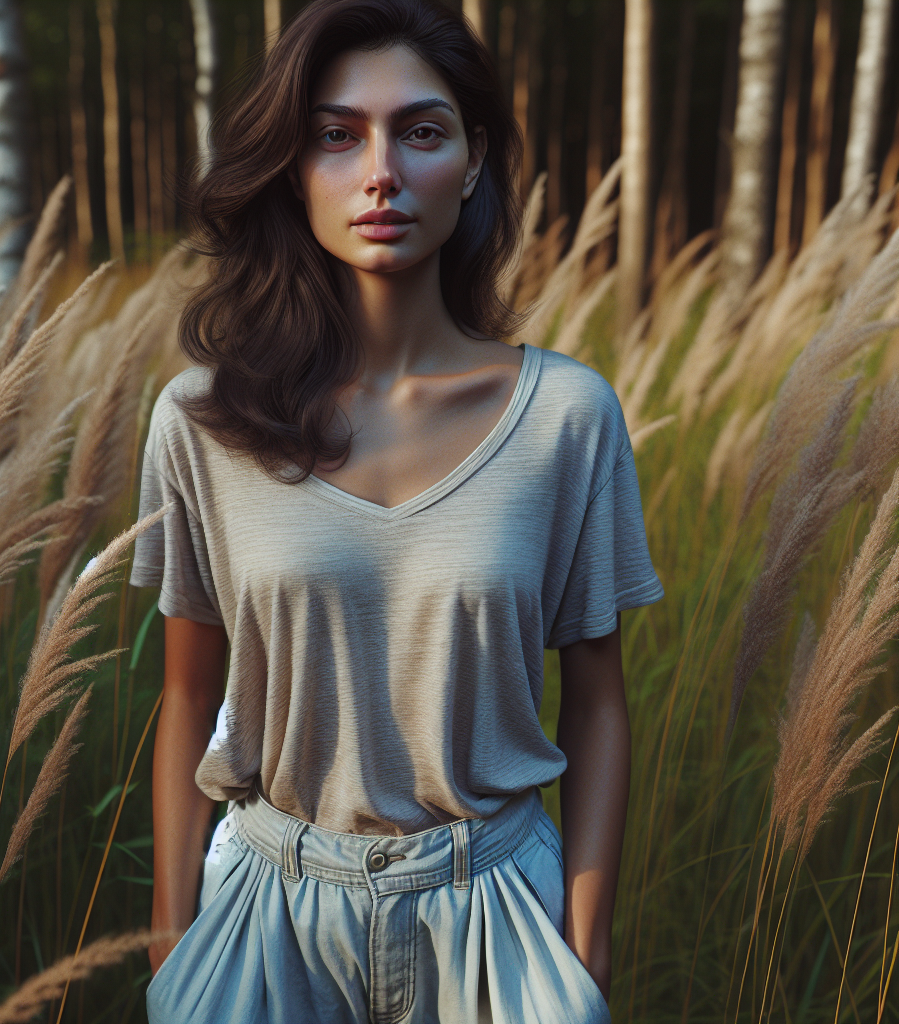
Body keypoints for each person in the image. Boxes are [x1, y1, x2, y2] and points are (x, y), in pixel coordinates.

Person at [130, 1, 663, 1021]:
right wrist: (173, 946)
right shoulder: (203, 419)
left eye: (421, 132)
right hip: (263, 912)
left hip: (500, 912)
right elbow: (187, 696)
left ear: (469, 165)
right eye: (337, 135)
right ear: (294, 169)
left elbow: (596, 700)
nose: (381, 170)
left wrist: (583, 955)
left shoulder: (565, 416)